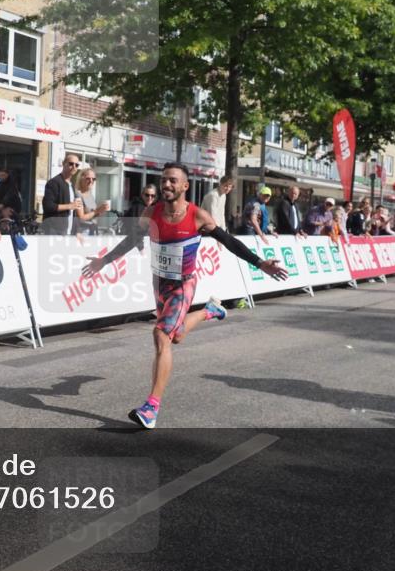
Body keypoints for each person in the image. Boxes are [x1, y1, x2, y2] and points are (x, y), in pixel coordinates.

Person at [82, 162, 289, 429]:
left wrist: (260, 263)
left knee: (161, 335)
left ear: (185, 186)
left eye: (172, 181)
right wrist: (104, 260)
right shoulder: (152, 211)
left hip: (183, 285)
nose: (166, 184)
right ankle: (209, 311)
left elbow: (229, 241)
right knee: (176, 336)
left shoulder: (198, 216)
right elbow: (132, 239)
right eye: (164, 180)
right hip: (159, 284)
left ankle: (151, 407)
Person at [41, 153, 84, 235]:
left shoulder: (71, 185)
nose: (74, 167)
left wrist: (77, 231)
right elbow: (48, 206)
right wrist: (69, 206)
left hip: (68, 231)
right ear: (64, 164)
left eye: (76, 165)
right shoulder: (54, 182)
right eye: (71, 164)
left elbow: (73, 212)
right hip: (54, 231)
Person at [75, 167, 109, 235]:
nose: (91, 181)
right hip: (83, 232)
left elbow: (92, 214)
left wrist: (100, 210)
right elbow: (81, 218)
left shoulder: (90, 195)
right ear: (81, 179)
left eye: (93, 179)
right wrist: (96, 211)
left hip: (92, 230)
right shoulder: (78, 195)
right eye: (88, 178)